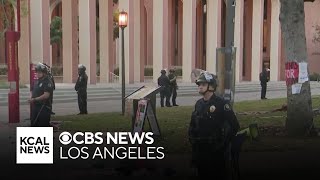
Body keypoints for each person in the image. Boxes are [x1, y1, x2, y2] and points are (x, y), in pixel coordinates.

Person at [188, 71, 240, 179]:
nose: (200, 87)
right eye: (199, 84)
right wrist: (192, 139)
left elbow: (234, 126)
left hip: (216, 152)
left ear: (211, 86)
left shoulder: (221, 104)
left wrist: (223, 145)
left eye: (203, 84)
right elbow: (193, 125)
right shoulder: (199, 104)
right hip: (200, 151)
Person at [27, 62, 54, 127]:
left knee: (43, 125)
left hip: (44, 107)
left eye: (39, 72)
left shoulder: (47, 82)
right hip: (35, 106)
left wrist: (35, 99)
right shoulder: (37, 81)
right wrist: (31, 97)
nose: (37, 74)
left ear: (44, 73)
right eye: (36, 72)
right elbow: (32, 90)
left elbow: (46, 95)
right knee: (34, 124)